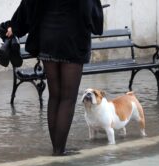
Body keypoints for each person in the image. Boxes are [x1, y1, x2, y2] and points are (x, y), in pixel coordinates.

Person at [6, 0, 104, 156]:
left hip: (47, 36)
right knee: (68, 99)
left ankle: (57, 148)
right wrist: (95, 21)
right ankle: (60, 150)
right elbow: (89, 8)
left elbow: (29, 4)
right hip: (73, 38)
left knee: (55, 96)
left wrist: (14, 26)